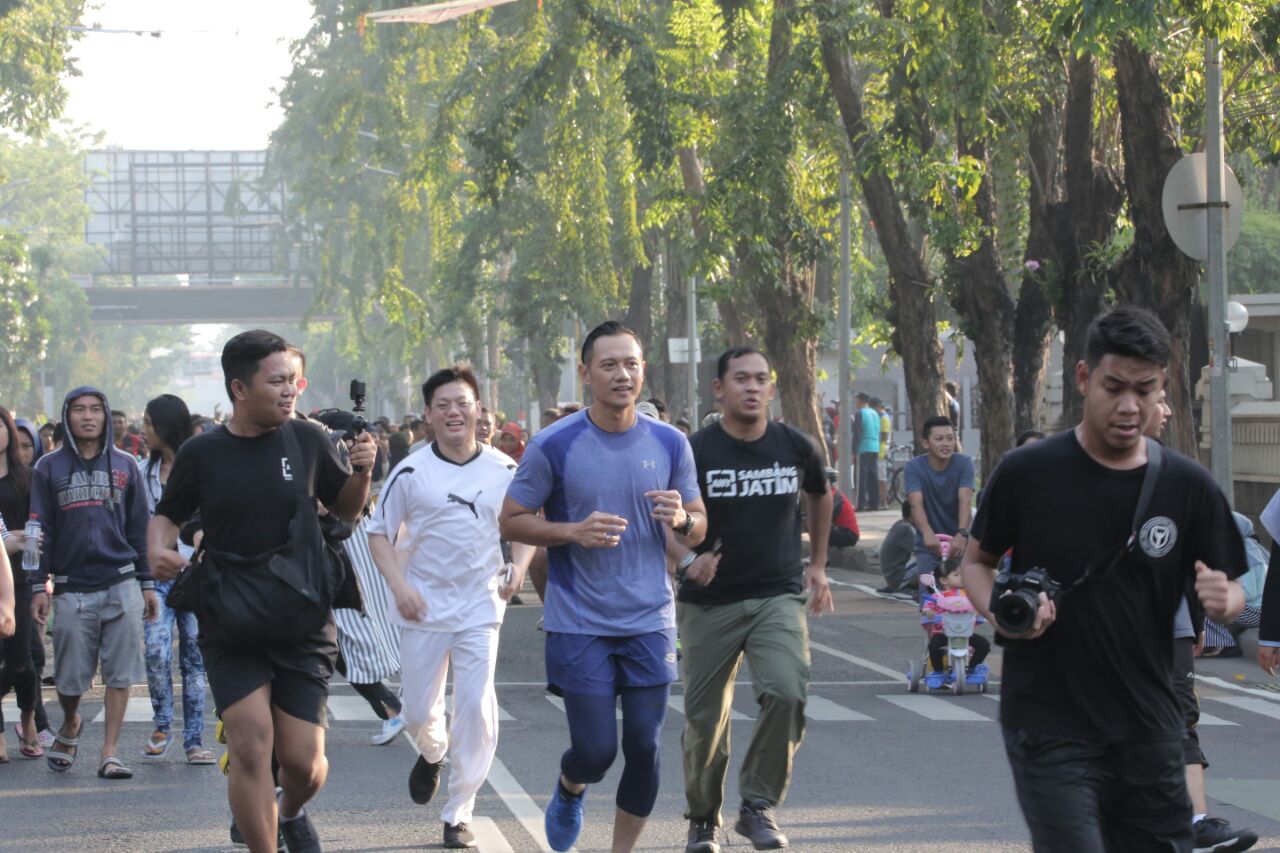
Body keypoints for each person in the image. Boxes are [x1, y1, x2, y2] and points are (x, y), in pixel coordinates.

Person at [961, 306, 1247, 852]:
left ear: (1162, 387)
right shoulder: (1028, 471)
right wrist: (1001, 608)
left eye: (1144, 389)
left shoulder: (1187, 486)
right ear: (1083, 378)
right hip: (1049, 721)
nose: (1129, 406)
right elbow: (976, 562)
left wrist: (1225, 600)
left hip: (1150, 725)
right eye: (1114, 387)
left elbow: (1231, 586)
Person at [148, 330, 376, 853]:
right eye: (276, 381)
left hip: (302, 620)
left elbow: (346, 510)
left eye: (293, 380)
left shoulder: (310, 439)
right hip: (230, 620)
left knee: (305, 765)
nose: (289, 389)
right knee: (250, 748)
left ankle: (289, 810)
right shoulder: (202, 452)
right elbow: (167, 517)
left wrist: (362, 471)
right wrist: (159, 549)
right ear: (239, 388)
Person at [500, 321, 708, 853]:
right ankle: (571, 785)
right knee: (595, 752)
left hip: (650, 619)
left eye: (631, 364)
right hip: (580, 622)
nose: (622, 374)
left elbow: (699, 523)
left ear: (643, 371)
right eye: (609, 364)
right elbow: (512, 519)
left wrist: (682, 519)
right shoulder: (554, 444)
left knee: (644, 746)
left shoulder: (670, 442)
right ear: (586, 373)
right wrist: (572, 531)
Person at [672, 346, 833, 853]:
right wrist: (686, 560)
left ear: (771, 387)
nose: (753, 387)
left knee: (787, 692)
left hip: (776, 594)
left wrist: (818, 563)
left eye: (761, 379)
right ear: (719, 389)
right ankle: (703, 818)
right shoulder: (695, 451)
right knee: (705, 721)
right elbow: (667, 520)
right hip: (709, 601)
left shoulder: (796, 445)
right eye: (741, 378)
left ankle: (758, 805)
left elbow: (820, 493)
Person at [365, 365, 532, 849]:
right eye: (443, 405)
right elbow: (378, 534)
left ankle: (459, 809)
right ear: (428, 415)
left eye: (462, 403)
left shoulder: (505, 470)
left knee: (477, 707)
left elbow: (525, 524)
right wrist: (399, 586)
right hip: (422, 605)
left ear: (479, 410)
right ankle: (433, 750)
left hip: (481, 604)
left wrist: (519, 567)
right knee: (418, 711)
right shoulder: (410, 471)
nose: (454, 412)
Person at [30, 387, 158, 780]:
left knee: (120, 674)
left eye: (95, 410)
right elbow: (38, 528)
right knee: (69, 679)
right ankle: (71, 721)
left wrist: (147, 583)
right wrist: (37, 585)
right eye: (79, 410)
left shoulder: (126, 465)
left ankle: (110, 751)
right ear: (66, 416)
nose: (88, 417)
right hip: (71, 586)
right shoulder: (48, 467)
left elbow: (140, 528)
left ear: (105, 416)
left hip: (121, 580)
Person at [312, 410, 405, 752]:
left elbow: (335, 514)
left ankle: (394, 707)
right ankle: (397, 705)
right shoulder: (347, 465)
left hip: (347, 568)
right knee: (349, 644)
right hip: (358, 564)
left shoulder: (346, 467)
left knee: (342, 647)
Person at [139, 394, 214, 765]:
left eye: (149, 423)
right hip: (156, 577)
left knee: (194, 660)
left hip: (194, 574)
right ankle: (162, 726)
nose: (143, 430)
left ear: (166, 425)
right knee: (155, 652)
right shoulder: (142, 473)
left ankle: (194, 740)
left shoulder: (200, 467)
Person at [0, 408, 44, 761]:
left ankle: (28, 717)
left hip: (21, 578)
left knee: (20, 661)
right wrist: (6, 541)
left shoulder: (27, 478)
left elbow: (39, 527)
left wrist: (21, 540)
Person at [904, 417, 974, 587]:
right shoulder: (913, 467)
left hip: (959, 542)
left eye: (950, 438)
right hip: (929, 544)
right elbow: (915, 504)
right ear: (926, 443)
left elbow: (965, 500)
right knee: (929, 595)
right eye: (939, 439)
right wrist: (927, 533)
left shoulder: (964, 463)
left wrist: (962, 534)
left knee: (964, 595)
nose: (946, 444)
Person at [921, 557, 989, 675]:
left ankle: (972, 667)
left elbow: (977, 605)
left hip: (965, 633)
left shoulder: (968, 595)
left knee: (984, 645)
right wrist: (928, 612)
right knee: (934, 646)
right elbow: (928, 608)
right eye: (957, 575)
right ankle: (938, 671)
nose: (962, 577)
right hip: (943, 633)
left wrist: (980, 610)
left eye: (963, 574)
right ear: (944, 580)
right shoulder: (937, 596)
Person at [877, 503, 917, 595]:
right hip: (896, 577)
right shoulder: (907, 529)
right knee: (928, 559)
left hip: (892, 575)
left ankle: (900, 585)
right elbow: (920, 550)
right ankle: (906, 588)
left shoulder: (900, 524)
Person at [853, 393, 881, 511]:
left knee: (861, 477)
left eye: (856, 400)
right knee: (873, 476)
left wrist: (854, 450)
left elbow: (857, 433)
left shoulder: (860, 413)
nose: (855, 402)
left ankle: (860, 503)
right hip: (875, 447)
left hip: (863, 448)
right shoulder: (875, 413)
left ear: (860, 401)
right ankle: (874, 503)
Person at [874, 398, 892, 508]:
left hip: (881, 450)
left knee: (881, 478)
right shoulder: (883, 417)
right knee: (880, 477)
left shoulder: (884, 418)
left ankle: (884, 501)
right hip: (881, 449)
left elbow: (884, 436)